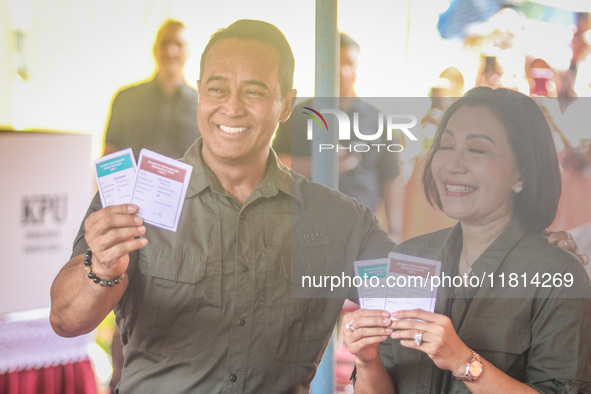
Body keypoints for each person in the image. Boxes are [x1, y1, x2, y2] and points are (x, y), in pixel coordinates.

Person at [50, 21, 583, 392]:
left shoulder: (339, 220)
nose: (231, 107)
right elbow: (66, 319)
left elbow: (428, 288)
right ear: (200, 95)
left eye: (254, 91)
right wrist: (100, 268)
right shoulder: (135, 196)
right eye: (217, 88)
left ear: (286, 103)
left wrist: (522, 247)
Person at [342, 87, 591, 393]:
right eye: (445, 146)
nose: (452, 165)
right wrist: (367, 361)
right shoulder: (411, 257)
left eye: (477, 150)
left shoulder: (556, 274)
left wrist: (464, 362)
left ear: (522, 173)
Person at [272, 33, 401, 237]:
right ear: (322, 65)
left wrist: (394, 232)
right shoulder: (298, 115)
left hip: (361, 232)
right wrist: (326, 164)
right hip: (306, 230)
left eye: (349, 63)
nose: (343, 71)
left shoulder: (376, 118)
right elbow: (276, 165)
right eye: (336, 63)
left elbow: (389, 177)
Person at [103, 19, 199, 159]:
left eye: (178, 44)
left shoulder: (202, 105)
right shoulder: (125, 99)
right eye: (164, 43)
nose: (171, 51)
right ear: (155, 49)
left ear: (188, 52)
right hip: (132, 181)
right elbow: (109, 156)